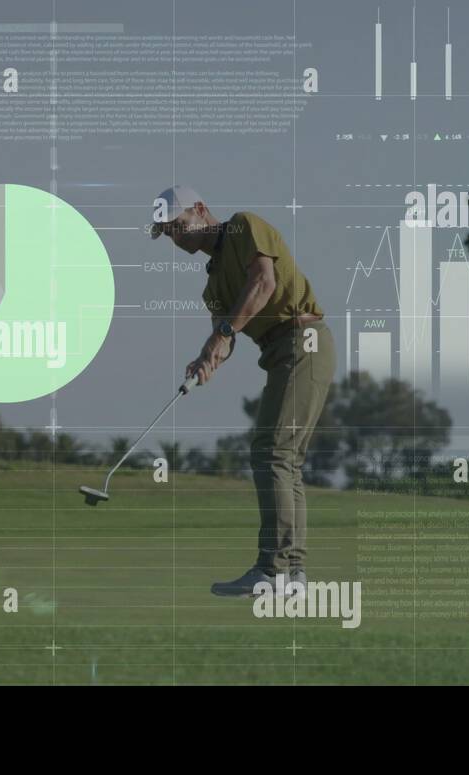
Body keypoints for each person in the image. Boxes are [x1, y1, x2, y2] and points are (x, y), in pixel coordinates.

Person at [150, 186, 335, 597]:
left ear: (200, 209)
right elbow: (227, 335)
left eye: (178, 226)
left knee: (272, 452)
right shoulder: (212, 285)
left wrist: (222, 334)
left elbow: (264, 283)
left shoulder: (243, 226)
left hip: (303, 339)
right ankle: (294, 575)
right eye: (167, 234)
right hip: (279, 351)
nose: (176, 239)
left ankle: (272, 571)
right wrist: (206, 359)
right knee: (285, 460)